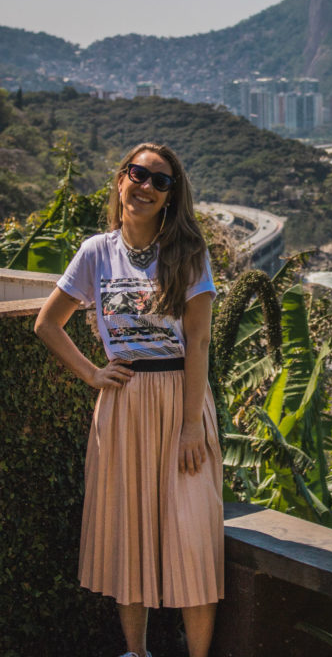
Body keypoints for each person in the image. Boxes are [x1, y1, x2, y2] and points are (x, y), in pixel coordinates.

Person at [35, 142, 224, 657]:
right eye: (138, 174)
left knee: (193, 532)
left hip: (180, 400)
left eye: (159, 181)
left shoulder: (188, 253)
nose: (145, 186)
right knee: (129, 529)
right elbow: (47, 324)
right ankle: (136, 653)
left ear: (170, 197)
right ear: (120, 180)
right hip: (122, 405)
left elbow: (200, 342)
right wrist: (93, 373)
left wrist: (191, 426)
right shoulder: (96, 251)